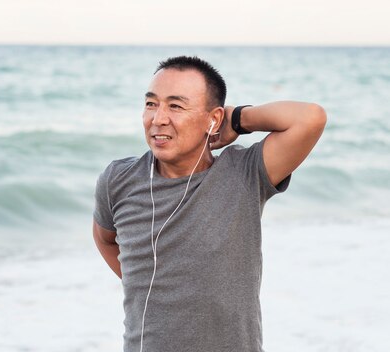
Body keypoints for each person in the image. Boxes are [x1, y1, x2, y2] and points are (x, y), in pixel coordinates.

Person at [92, 56, 326, 352]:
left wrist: (238, 119)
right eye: (151, 103)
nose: (158, 118)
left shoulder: (244, 174)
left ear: (213, 118)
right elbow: (104, 239)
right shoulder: (118, 179)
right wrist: (148, 283)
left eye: (175, 106)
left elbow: (310, 118)